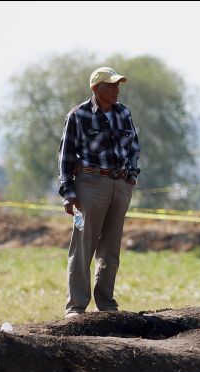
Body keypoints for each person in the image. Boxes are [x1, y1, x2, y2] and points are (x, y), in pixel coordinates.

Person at [57, 66, 141, 318]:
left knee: (111, 247)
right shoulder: (78, 115)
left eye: (117, 85)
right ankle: (76, 306)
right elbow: (66, 155)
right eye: (110, 85)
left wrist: (131, 175)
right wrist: (69, 193)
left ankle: (106, 304)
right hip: (89, 184)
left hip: (120, 184)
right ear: (95, 88)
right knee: (84, 245)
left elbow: (134, 146)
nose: (116, 90)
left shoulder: (124, 113)